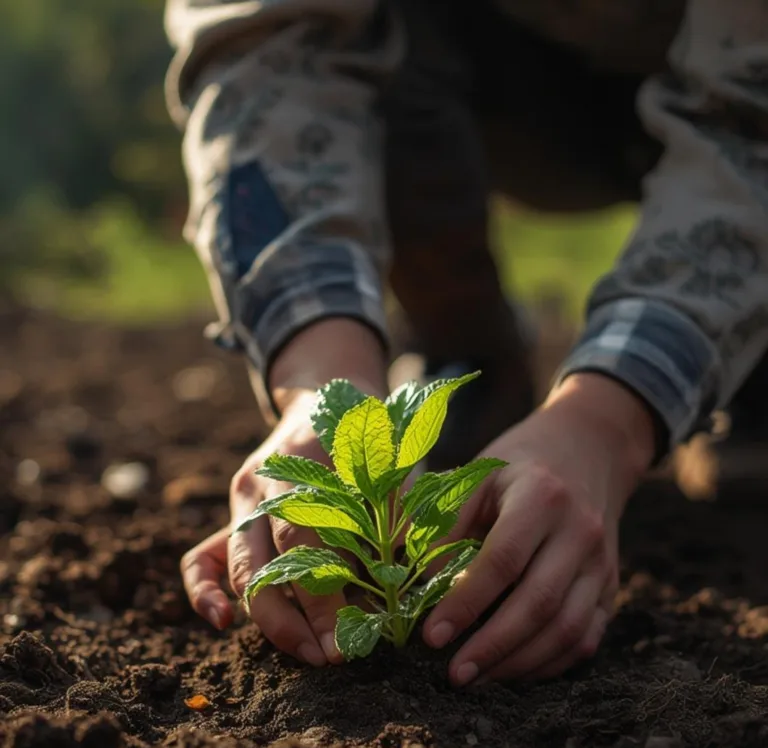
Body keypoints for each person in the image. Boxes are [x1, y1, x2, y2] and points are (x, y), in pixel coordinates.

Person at [164, 0, 768, 685]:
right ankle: (467, 353)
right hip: (491, 74)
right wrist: (320, 376)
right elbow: (263, 43)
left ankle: (743, 348)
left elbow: (754, 118)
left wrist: (606, 421)